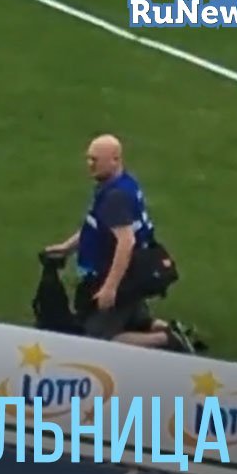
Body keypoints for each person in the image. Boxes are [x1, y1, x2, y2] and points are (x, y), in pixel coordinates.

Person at [44, 134, 196, 352]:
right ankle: (171, 329)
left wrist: (110, 287)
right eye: (88, 158)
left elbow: (126, 242)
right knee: (134, 318)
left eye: (95, 160)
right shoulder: (124, 183)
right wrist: (68, 247)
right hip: (134, 269)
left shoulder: (115, 197)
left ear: (115, 160)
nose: (89, 164)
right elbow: (97, 226)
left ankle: (167, 340)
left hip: (116, 274)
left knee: (99, 340)